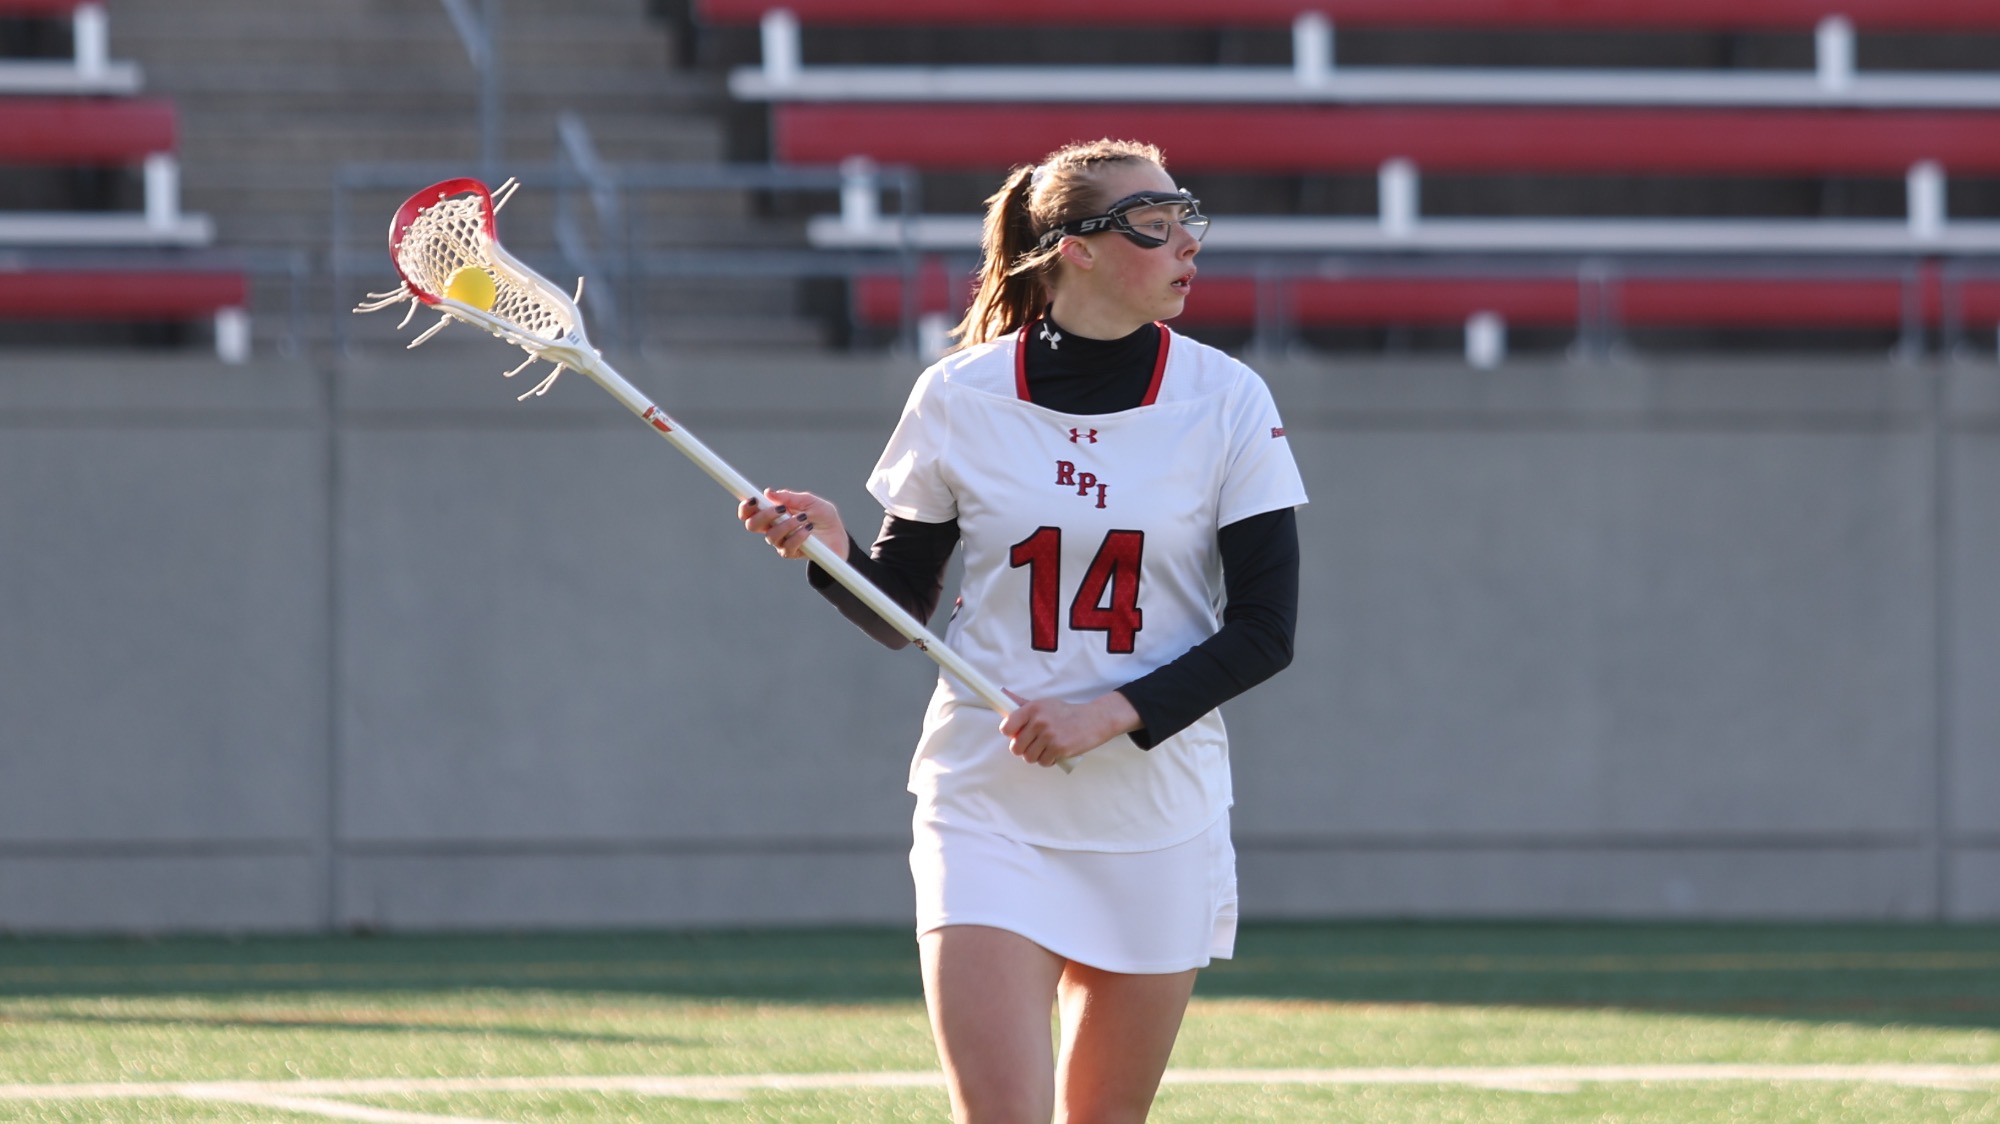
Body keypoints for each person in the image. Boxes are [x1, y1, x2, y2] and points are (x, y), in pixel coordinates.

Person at [739, 138, 1306, 1123]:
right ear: (1075, 249)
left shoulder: (1227, 400)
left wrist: (1107, 714)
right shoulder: (958, 395)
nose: (1185, 245)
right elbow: (899, 610)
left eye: (1185, 218)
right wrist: (831, 555)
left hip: (1153, 812)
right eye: (1151, 223)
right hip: (987, 798)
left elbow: (1264, 629)